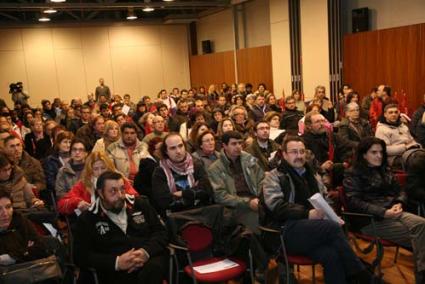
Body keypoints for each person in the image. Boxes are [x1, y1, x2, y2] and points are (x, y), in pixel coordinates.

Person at [260, 136, 370, 284]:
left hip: (313, 229)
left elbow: (325, 199)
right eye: (294, 152)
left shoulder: (312, 175)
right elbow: (277, 207)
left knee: (331, 255)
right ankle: (360, 273)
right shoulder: (274, 177)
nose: (299, 156)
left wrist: (332, 215)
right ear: (284, 154)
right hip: (284, 231)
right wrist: (306, 213)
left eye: (302, 151)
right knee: (332, 228)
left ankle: (354, 274)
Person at [343, 137, 425, 283]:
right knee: (420, 234)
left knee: (421, 225)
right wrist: (383, 212)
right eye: (374, 152)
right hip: (369, 219)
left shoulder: (385, 168)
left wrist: (399, 202)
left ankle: (421, 273)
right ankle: (422, 275)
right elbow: (354, 202)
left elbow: (401, 191)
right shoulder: (353, 173)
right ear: (363, 154)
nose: (379, 156)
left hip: (393, 211)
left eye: (381, 152)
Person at [74, 171, 168, 284]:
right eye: (113, 191)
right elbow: (81, 255)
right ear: (101, 193)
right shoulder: (88, 218)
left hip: (147, 262)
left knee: (155, 268)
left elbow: (161, 232)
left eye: (122, 189)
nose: (120, 195)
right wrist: (117, 262)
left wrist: (145, 252)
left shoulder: (140, 204)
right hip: (112, 270)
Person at [208, 131, 264, 232]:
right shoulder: (215, 168)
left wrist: (260, 198)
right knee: (255, 222)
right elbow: (220, 196)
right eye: (234, 144)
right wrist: (247, 202)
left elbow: (261, 180)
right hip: (235, 207)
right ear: (224, 146)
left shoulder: (248, 160)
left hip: (256, 200)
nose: (238, 146)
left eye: (240, 143)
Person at [151, 133, 213, 217]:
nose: (178, 151)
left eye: (180, 146)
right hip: (176, 217)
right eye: (173, 148)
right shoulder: (160, 172)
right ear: (166, 151)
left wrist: (181, 194)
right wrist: (194, 193)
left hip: (200, 213)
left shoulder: (196, 165)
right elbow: (164, 202)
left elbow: (207, 191)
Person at [57, 152, 137, 216]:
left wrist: (121, 198)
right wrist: (77, 202)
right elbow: (61, 205)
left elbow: (135, 197)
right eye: (96, 169)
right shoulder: (84, 183)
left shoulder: (119, 180)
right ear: (90, 170)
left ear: (109, 168)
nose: (100, 173)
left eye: (103, 168)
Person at [0, 191, 51, 265]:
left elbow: (40, 248)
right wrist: (25, 251)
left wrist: (12, 257)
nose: (5, 213)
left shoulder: (20, 220)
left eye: (8, 207)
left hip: (32, 272)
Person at [42, 131, 73, 204]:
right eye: (65, 142)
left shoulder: (76, 158)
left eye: (70, 142)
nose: (68, 145)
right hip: (60, 193)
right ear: (58, 144)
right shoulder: (50, 160)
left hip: (76, 191)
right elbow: (50, 182)